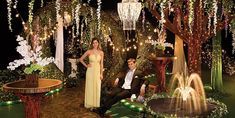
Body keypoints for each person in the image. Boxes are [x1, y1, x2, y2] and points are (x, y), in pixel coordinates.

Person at [79, 37, 104, 109]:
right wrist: (86, 65)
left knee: (97, 86)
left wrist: (101, 73)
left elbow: (102, 64)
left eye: (96, 42)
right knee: (90, 87)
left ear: (98, 43)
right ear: (92, 44)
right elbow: (81, 59)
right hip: (90, 71)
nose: (95, 44)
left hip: (97, 72)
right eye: (93, 43)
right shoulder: (89, 51)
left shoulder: (101, 52)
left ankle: (95, 104)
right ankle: (90, 104)